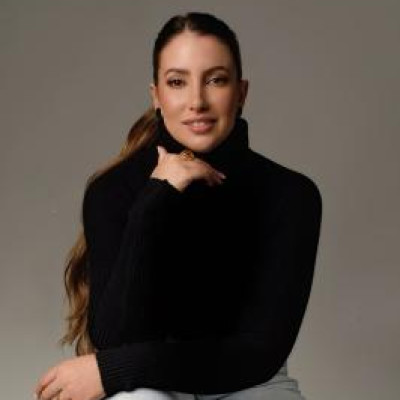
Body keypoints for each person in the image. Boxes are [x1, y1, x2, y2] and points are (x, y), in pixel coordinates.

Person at [34, 11, 322, 400]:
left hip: (250, 382)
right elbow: (114, 337)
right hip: (149, 384)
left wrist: (116, 369)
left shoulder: (290, 194)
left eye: (216, 80)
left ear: (241, 92)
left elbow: (260, 353)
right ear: (157, 95)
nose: (196, 101)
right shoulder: (114, 190)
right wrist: (154, 198)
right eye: (177, 82)